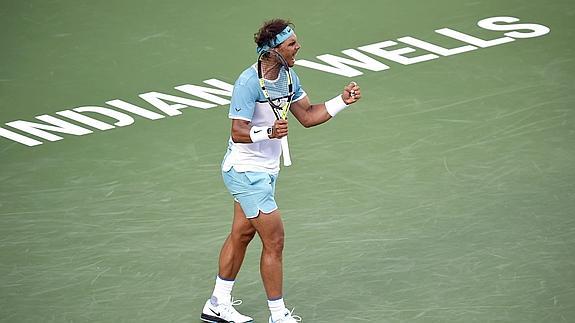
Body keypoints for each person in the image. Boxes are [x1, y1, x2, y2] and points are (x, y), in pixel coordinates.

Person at [200, 18, 361, 323]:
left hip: (267, 170)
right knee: (274, 241)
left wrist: (342, 101)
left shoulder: (289, 78)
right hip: (246, 171)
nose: (298, 47)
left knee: (241, 235)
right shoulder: (248, 83)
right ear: (273, 51)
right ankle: (278, 315)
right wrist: (268, 133)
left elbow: (309, 116)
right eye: (291, 44)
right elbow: (238, 131)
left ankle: (216, 304)